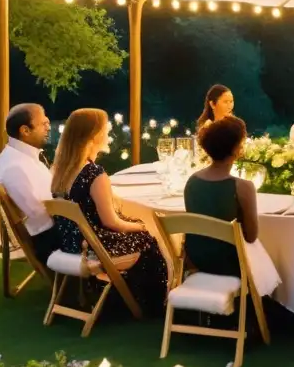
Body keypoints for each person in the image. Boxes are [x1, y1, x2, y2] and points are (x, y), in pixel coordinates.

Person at [51, 108, 168, 309]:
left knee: (137, 229)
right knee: (151, 239)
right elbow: (110, 222)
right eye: (106, 128)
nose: (109, 133)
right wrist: (143, 226)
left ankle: (119, 296)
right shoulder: (94, 174)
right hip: (95, 248)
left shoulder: (61, 169)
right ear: (95, 135)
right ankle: (145, 304)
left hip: (71, 244)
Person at [185, 116, 280, 296]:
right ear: (236, 149)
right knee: (258, 250)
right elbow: (251, 237)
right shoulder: (243, 187)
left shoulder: (192, 182)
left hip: (197, 258)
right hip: (229, 263)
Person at [0, 103, 61, 263]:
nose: (48, 127)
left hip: (50, 233)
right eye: (43, 124)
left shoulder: (20, 158)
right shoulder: (15, 167)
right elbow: (40, 216)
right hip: (51, 241)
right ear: (25, 130)